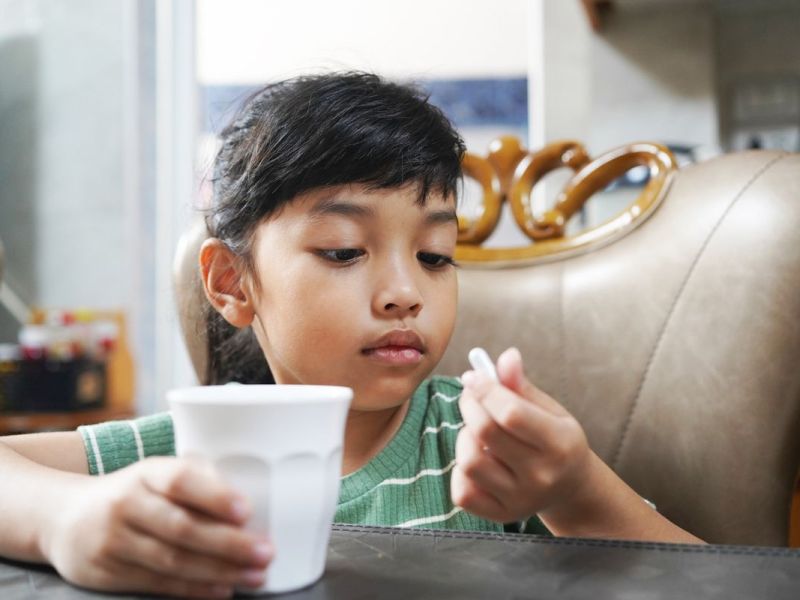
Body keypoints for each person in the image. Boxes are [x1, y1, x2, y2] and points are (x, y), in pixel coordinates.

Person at [0, 72, 703, 599]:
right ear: (231, 284)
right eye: (342, 250)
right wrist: (68, 518)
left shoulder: (482, 449)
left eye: (434, 257)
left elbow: (704, 579)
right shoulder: (194, 447)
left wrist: (573, 490)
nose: (406, 292)